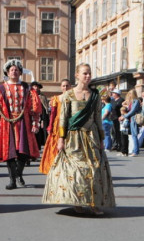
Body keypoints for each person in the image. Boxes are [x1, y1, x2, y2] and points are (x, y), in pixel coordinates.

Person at [42, 63, 115, 215]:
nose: (87, 76)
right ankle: (78, 201)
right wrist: (61, 139)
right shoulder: (68, 95)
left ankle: (94, 203)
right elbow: (63, 118)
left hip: (91, 136)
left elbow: (97, 118)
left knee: (94, 169)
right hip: (73, 137)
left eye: (89, 73)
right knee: (76, 170)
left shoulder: (95, 96)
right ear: (77, 75)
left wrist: (101, 139)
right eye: (84, 73)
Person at [0, 59, 42, 190]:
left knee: (23, 152)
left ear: (20, 72)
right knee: (9, 153)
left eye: (17, 70)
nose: (14, 72)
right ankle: (12, 180)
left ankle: (18, 174)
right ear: (7, 72)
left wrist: (35, 123)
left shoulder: (28, 89)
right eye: (12, 70)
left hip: (24, 124)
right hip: (7, 124)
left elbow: (35, 108)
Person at [39, 78, 71, 174]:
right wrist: (50, 126)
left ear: (70, 86)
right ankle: (56, 167)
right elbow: (52, 114)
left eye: (67, 85)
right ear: (61, 87)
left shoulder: (74, 98)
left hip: (70, 124)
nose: (65, 87)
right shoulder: (56, 99)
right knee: (56, 146)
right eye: (64, 85)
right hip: (58, 124)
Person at [121, 89, 142, 156]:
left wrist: (125, 116)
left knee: (134, 135)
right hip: (131, 119)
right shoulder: (132, 101)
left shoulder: (136, 101)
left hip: (134, 119)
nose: (129, 95)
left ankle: (135, 151)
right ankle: (134, 150)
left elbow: (133, 111)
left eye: (130, 94)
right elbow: (124, 104)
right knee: (133, 136)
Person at [31, 81, 49, 151]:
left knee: (40, 134)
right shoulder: (29, 95)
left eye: (37, 86)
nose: (35, 88)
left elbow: (45, 109)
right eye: (34, 86)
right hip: (32, 117)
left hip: (41, 117)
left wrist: (43, 120)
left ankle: (38, 149)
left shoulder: (42, 96)